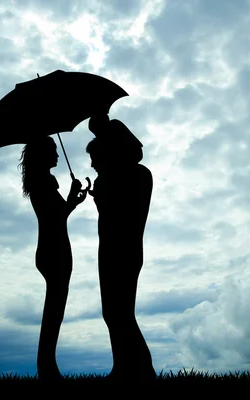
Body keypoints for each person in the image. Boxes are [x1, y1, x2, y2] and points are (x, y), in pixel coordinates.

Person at [86, 114, 156, 383]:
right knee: (117, 311)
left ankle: (141, 370)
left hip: (117, 250)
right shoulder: (138, 175)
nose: (92, 165)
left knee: (118, 312)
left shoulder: (118, 179)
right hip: (125, 249)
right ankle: (124, 368)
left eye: (95, 158)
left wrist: (101, 196)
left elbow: (116, 214)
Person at [17, 136, 88, 382]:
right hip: (55, 248)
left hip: (48, 248)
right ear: (43, 155)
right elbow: (57, 215)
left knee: (54, 310)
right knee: (54, 312)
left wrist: (73, 200)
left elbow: (59, 213)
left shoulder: (38, 181)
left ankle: (47, 366)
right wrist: (71, 196)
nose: (58, 156)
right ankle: (47, 368)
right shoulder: (45, 181)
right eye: (53, 151)